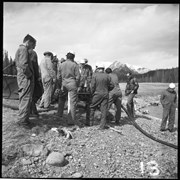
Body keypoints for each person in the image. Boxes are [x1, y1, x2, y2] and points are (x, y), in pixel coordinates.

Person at [15, 34, 36, 127]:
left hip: (22, 78)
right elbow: (24, 65)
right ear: (28, 42)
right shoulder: (24, 50)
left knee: (25, 98)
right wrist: (30, 75)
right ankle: (22, 121)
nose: (33, 47)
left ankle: (24, 119)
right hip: (25, 79)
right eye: (33, 44)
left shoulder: (20, 49)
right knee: (26, 98)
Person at [57, 51, 81, 126]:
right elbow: (78, 77)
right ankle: (71, 120)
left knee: (61, 99)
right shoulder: (75, 65)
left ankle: (59, 115)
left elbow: (58, 77)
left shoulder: (61, 65)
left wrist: (60, 84)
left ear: (66, 56)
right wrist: (77, 85)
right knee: (72, 102)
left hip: (64, 83)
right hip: (72, 83)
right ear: (73, 57)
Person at [89, 65, 114, 129]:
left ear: (98, 69)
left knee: (92, 107)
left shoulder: (95, 75)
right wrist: (107, 90)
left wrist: (91, 93)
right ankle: (102, 125)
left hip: (97, 94)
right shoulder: (107, 76)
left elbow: (92, 86)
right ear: (103, 69)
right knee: (104, 110)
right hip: (105, 94)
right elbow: (112, 85)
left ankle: (90, 123)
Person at [28, 46, 43, 116]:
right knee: (37, 92)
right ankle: (33, 111)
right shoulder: (33, 53)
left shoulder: (22, 52)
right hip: (32, 76)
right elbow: (35, 66)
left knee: (28, 95)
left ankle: (31, 111)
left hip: (24, 77)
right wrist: (37, 76)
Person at [78, 58, 93, 126]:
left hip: (85, 84)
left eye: (83, 64)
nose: (82, 65)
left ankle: (86, 108)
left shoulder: (88, 68)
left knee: (87, 97)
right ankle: (83, 108)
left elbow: (90, 76)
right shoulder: (80, 67)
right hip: (82, 84)